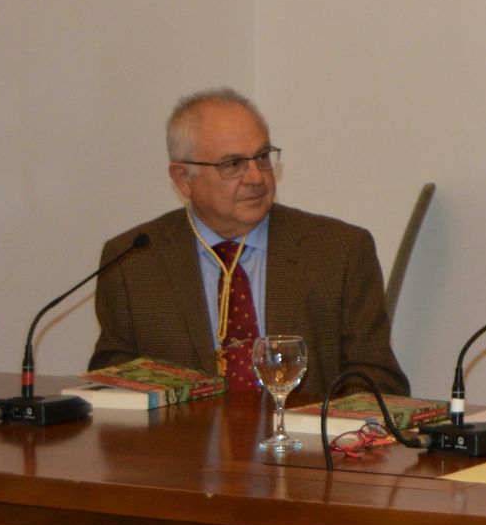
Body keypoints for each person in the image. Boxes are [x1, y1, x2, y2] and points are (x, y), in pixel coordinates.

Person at [90, 88, 408, 396]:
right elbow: (113, 383)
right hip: (182, 448)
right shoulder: (133, 261)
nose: (256, 177)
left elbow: (378, 380)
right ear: (183, 178)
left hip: (305, 447)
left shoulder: (339, 251)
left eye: (262, 157)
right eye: (233, 165)